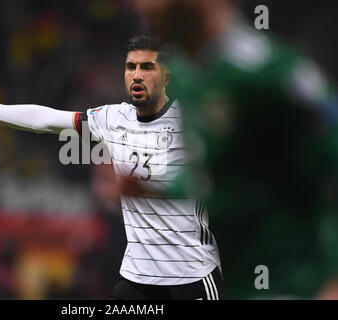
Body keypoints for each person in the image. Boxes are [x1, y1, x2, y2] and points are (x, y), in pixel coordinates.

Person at [0, 35, 223, 300]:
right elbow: (46, 120)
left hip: (190, 274)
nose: (136, 75)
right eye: (130, 67)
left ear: (167, 76)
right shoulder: (112, 118)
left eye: (147, 67)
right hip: (138, 276)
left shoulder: (193, 121)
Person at [133, 0, 338, 299]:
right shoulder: (178, 75)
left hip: (289, 287)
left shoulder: (266, 70)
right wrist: (154, 189)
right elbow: (220, 186)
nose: (139, 6)